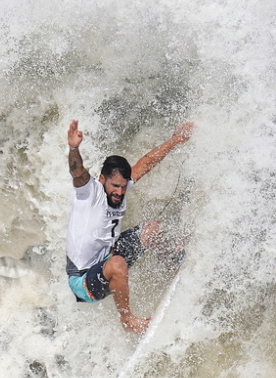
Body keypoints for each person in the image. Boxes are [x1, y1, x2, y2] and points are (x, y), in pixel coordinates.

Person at [65, 119, 194, 333]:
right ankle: (128, 321)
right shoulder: (89, 194)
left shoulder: (120, 187)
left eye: (123, 187)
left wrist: (176, 140)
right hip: (84, 282)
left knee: (151, 230)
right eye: (115, 186)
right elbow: (77, 173)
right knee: (116, 264)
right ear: (102, 179)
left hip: (107, 256)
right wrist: (73, 148)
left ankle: (175, 267)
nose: (119, 192)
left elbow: (146, 162)